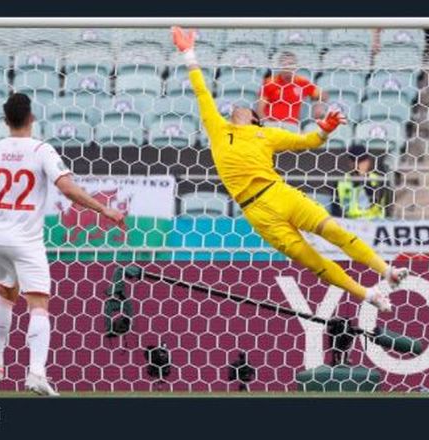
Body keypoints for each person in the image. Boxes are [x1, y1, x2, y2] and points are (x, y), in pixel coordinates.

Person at [172, 27, 407, 312]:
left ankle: (387, 271)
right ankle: (368, 294)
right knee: (312, 261)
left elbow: (308, 141)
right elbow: (201, 90)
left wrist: (326, 131)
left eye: (248, 110)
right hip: (257, 212)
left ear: (255, 120)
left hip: (280, 193)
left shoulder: (266, 135)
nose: (241, 107)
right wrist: (189, 53)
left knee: (334, 232)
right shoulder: (218, 129)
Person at [0, 93, 125, 396]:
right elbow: (67, 189)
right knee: (38, 304)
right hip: (27, 241)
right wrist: (104, 209)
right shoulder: (42, 150)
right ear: (31, 119)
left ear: (5, 121)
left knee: (5, 295)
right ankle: (36, 373)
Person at [257, 51, 328, 125]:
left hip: (291, 126)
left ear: (296, 67)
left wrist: (319, 106)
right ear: (280, 66)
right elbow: (260, 110)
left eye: (291, 64)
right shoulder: (269, 82)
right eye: (285, 64)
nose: (288, 67)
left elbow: (323, 95)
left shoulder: (302, 83)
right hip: (272, 125)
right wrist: (268, 124)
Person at [331, 145, 387, 219]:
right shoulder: (341, 182)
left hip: (374, 222)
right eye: (355, 161)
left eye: (362, 161)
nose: (358, 165)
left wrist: (364, 179)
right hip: (350, 222)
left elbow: (374, 202)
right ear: (350, 162)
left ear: (368, 161)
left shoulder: (378, 180)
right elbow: (336, 208)